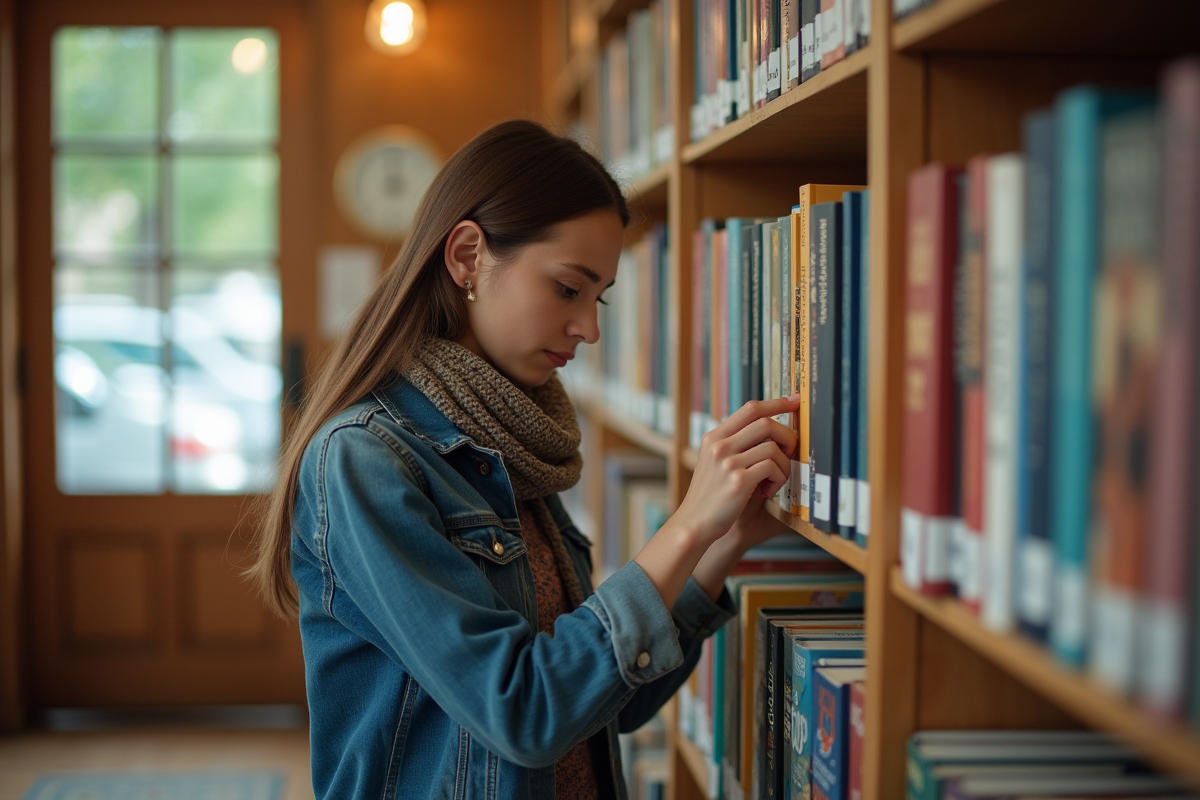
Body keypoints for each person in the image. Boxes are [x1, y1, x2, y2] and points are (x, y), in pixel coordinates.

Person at [249, 119, 801, 800]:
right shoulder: (364, 459)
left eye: (598, 299)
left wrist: (725, 540)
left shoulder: (511, 435)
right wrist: (685, 526)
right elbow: (524, 712)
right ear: (468, 256)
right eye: (569, 289)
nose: (590, 329)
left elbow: (607, 702)